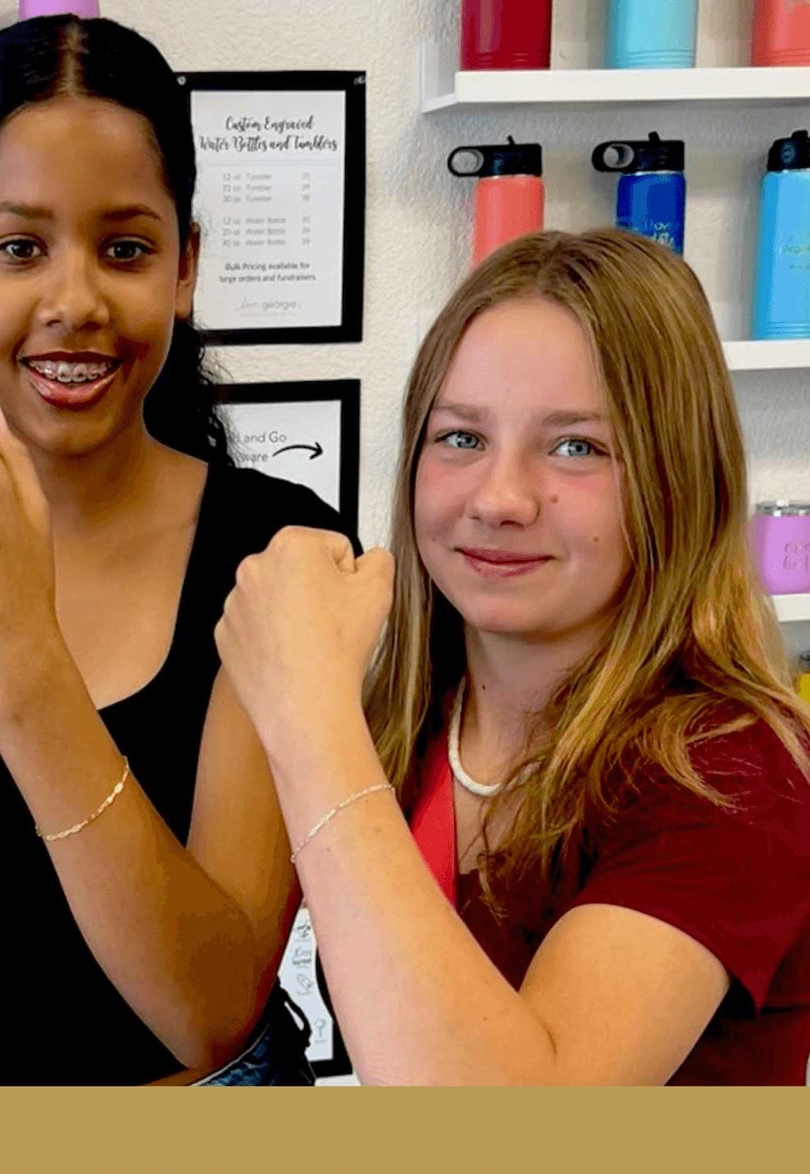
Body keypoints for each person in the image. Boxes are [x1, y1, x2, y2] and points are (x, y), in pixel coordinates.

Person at [0, 16, 348, 1086]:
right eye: (20, 247)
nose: (75, 301)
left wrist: (13, 651)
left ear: (185, 267)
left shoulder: (277, 554)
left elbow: (211, 1008)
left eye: (125, 248)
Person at [216, 229, 810, 1085]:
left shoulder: (734, 772)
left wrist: (309, 725)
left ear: (678, 477)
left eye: (577, 447)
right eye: (460, 438)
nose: (500, 498)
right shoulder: (410, 719)